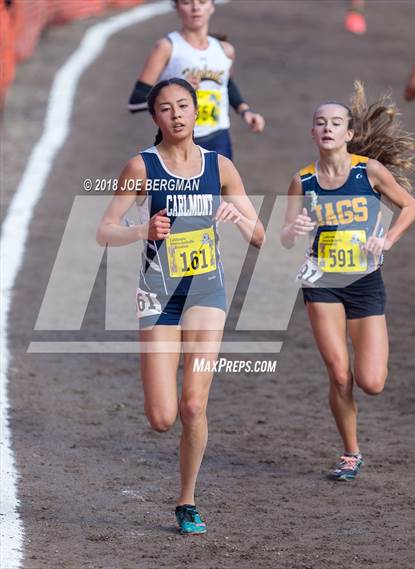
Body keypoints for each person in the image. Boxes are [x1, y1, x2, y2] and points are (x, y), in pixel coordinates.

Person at [97, 78, 265, 533]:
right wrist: (142, 231)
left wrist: (239, 219)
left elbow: (260, 236)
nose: (176, 115)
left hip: (205, 292)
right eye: (166, 108)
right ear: (155, 118)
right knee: (161, 417)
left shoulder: (221, 166)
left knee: (193, 406)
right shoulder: (141, 167)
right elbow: (105, 230)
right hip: (157, 295)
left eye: (184, 106)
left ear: (197, 113)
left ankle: (187, 501)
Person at [280, 81, 415, 481]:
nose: (327, 128)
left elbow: (411, 206)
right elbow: (286, 238)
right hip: (322, 282)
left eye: (336, 122)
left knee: (372, 382)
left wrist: (387, 239)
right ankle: (350, 453)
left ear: (349, 134)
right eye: (320, 123)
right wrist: (294, 230)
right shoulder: (301, 181)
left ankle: (357, 409)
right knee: (340, 373)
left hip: (364, 282)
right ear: (312, 132)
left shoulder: (368, 171)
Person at [128, 0, 265, 159]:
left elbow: (226, 84)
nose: (195, 8)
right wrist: (177, 91)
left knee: (222, 184)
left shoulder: (224, 50)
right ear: (177, 7)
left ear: (212, 6)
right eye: (187, 2)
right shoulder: (167, 48)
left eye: (202, 1)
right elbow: (135, 101)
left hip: (219, 140)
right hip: (177, 143)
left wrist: (245, 111)